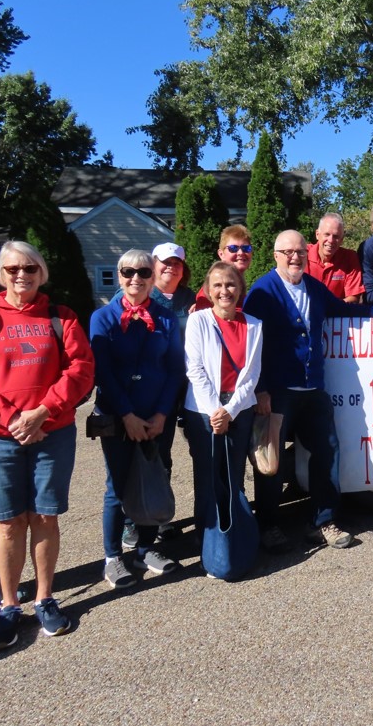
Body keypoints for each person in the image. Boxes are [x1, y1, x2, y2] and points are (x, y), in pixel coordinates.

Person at [0, 241, 94, 650]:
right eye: (13, 267)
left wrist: (43, 411)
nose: (21, 275)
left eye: (30, 267)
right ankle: (10, 604)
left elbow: (81, 369)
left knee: (46, 517)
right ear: (1, 272)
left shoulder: (60, 317)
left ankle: (44, 597)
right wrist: (14, 420)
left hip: (51, 432)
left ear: (41, 272)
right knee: (10, 521)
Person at [243, 230, 373, 553]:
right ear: (276, 255)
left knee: (327, 453)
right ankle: (268, 524)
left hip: (313, 389)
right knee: (271, 461)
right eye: (288, 252)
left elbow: (343, 309)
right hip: (278, 392)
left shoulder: (312, 287)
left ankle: (322, 522)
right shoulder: (262, 291)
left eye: (299, 252)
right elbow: (251, 345)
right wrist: (261, 389)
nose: (295, 257)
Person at [90, 249, 185, 590]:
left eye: (143, 272)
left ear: (152, 275)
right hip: (117, 416)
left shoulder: (166, 319)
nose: (136, 279)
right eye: (128, 272)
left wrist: (160, 414)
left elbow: (174, 369)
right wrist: (128, 415)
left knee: (151, 477)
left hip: (156, 416)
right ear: (119, 277)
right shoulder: (102, 318)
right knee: (117, 487)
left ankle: (147, 548)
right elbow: (104, 372)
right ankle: (113, 556)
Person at [182, 262, 262, 571]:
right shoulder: (199, 321)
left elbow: (252, 375)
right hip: (203, 412)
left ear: (240, 288)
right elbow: (195, 369)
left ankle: (233, 538)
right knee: (207, 477)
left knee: (234, 476)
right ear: (208, 290)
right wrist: (216, 410)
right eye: (217, 285)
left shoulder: (254, 325)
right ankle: (207, 540)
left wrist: (229, 411)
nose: (224, 290)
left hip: (239, 410)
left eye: (230, 284)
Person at [118, 242, 195, 547]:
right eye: (165, 262)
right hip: (140, 392)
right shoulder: (135, 297)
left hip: (177, 387)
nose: (170, 268)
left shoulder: (191, 298)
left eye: (176, 263)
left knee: (162, 457)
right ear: (154, 265)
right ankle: (130, 522)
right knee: (134, 458)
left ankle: (157, 515)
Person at [305, 212, 364, 302]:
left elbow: (353, 297)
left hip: (337, 313)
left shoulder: (349, 258)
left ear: (341, 240)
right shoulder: (302, 254)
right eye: (327, 234)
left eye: (336, 236)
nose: (331, 240)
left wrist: (329, 307)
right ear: (317, 234)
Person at [194, 225, 255, 311]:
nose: (241, 253)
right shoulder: (210, 291)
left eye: (246, 248)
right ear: (221, 254)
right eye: (233, 248)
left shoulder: (243, 284)